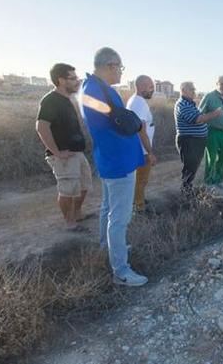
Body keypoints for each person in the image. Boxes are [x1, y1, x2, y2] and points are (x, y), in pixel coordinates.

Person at [79, 47, 148, 287]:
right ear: (110, 65)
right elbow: (114, 119)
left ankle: (106, 247)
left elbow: (114, 116)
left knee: (108, 209)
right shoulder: (93, 91)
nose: (121, 72)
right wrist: (132, 120)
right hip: (117, 162)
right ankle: (121, 271)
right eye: (120, 67)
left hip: (114, 159)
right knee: (119, 217)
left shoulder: (96, 88)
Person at [36, 63, 92, 231]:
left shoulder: (68, 99)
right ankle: (70, 223)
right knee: (68, 190)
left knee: (84, 186)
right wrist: (57, 153)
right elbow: (41, 127)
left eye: (77, 78)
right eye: (73, 78)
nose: (77, 81)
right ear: (61, 80)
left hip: (76, 153)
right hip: (64, 156)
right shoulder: (50, 100)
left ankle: (77, 214)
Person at [175, 82, 223, 188]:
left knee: (193, 166)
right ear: (183, 90)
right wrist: (215, 114)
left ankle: (188, 189)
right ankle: (186, 192)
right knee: (190, 167)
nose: (194, 92)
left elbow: (200, 117)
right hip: (189, 141)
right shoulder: (182, 104)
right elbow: (197, 119)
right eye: (192, 89)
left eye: (194, 89)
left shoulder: (190, 103)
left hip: (195, 141)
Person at [126, 75, 157, 211]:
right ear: (142, 86)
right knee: (141, 180)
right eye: (151, 87)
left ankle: (139, 201)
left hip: (138, 148)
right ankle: (139, 208)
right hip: (141, 150)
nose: (152, 90)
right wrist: (149, 152)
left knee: (140, 180)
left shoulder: (136, 101)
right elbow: (141, 130)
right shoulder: (138, 103)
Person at [199, 75, 223, 185]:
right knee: (212, 157)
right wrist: (213, 115)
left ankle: (219, 180)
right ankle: (209, 181)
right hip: (212, 132)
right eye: (222, 84)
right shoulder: (209, 97)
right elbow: (199, 114)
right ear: (217, 84)